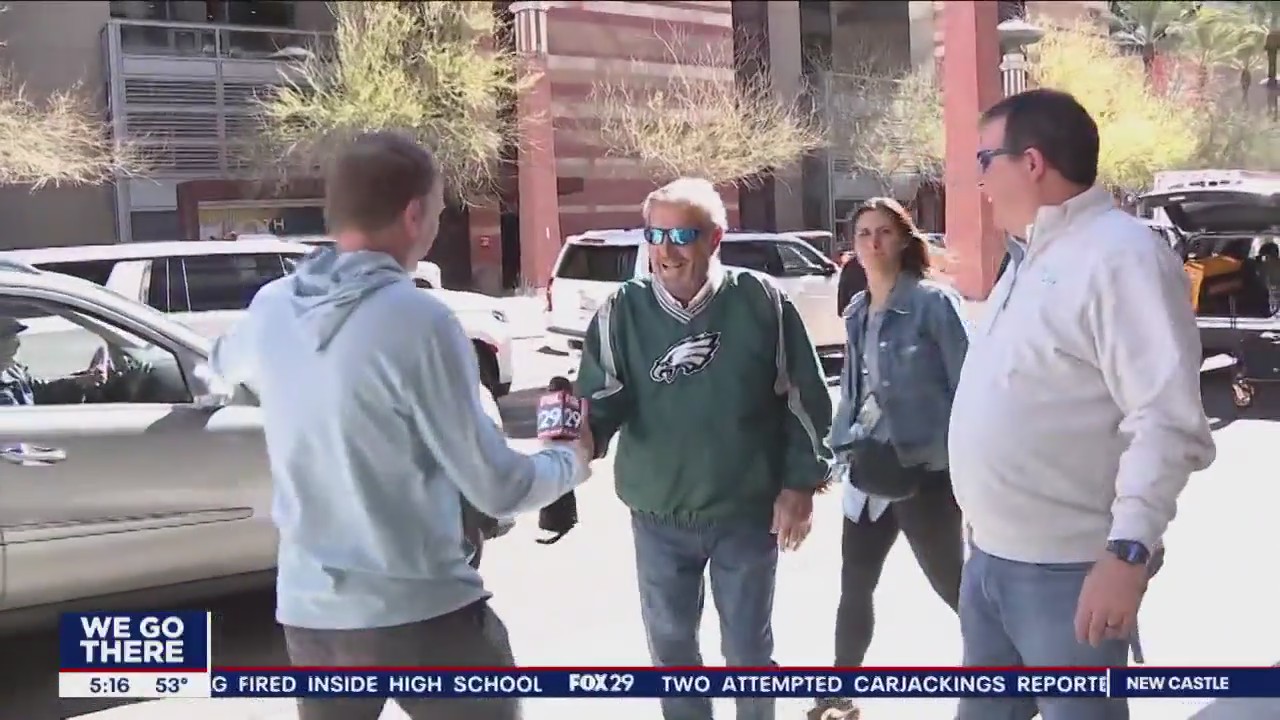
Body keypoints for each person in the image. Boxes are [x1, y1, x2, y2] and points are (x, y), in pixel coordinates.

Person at [204, 132, 593, 720]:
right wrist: (568, 457)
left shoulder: (272, 306)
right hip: (422, 612)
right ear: (414, 214)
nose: (436, 223)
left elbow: (219, 370)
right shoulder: (419, 320)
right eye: (437, 210)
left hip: (313, 617)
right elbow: (498, 486)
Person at [950, 89, 1215, 720]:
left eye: (985, 159)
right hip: (990, 561)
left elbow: (1165, 422)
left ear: (1032, 162)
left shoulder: (1122, 256)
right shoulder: (1029, 257)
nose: (978, 178)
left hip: (1068, 574)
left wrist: (1128, 555)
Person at [576, 177, 833, 720]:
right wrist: (573, 445)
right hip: (658, 513)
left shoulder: (761, 300)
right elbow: (600, 404)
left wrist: (800, 484)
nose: (665, 250)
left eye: (682, 234)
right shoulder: (621, 310)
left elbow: (805, 399)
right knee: (672, 653)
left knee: (748, 652)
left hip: (746, 511)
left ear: (715, 238)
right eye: (655, 234)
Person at [810, 198, 969, 720]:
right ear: (852, 247)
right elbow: (852, 394)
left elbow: (968, 387)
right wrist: (836, 454)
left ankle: (1012, 680)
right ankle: (838, 694)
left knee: (956, 588)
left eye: (882, 232)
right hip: (869, 468)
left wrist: (969, 463)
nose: (872, 243)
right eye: (862, 234)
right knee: (855, 583)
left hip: (925, 471)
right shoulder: (857, 312)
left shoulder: (933, 304)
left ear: (903, 240)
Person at [0, 317, 106, 406]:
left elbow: (40, 390)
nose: (16, 344)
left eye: (14, 337)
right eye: (7, 338)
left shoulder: (12, 370)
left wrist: (80, 382)